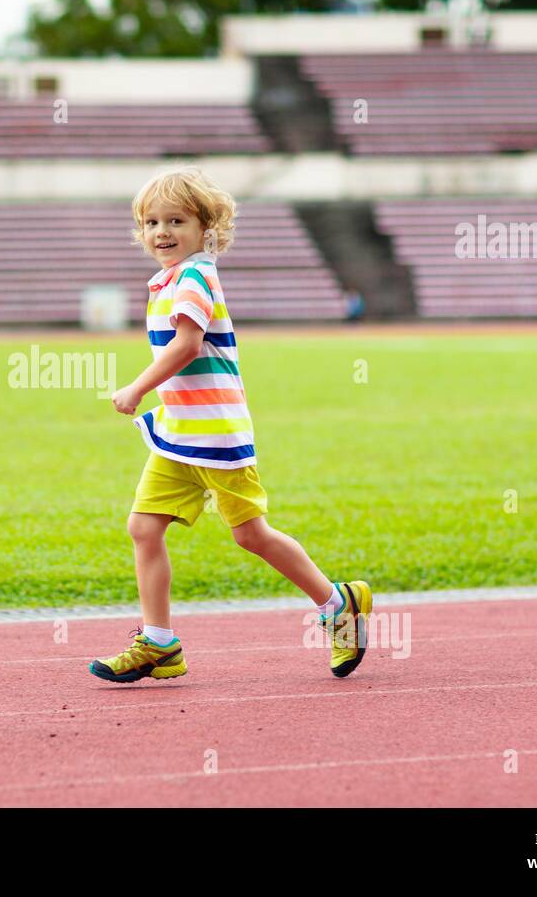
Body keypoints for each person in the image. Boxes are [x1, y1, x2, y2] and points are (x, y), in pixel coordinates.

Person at [92, 166, 372, 683]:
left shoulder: (196, 276)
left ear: (206, 228)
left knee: (250, 535)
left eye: (176, 220)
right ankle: (159, 643)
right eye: (151, 222)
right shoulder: (168, 279)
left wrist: (136, 389)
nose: (162, 232)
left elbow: (187, 345)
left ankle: (339, 604)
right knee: (144, 527)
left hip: (216, 435)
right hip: (178, 435)